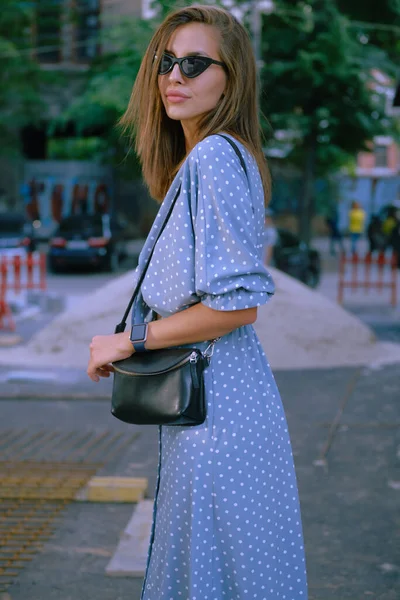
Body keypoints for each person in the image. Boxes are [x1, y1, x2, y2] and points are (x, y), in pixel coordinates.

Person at [87, 6, 308, 599]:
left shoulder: (214, 157)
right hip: (221, 405)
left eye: (193, 63)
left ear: (230, 78)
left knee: (214, 577)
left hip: (220, 414)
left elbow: (237, 305)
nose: (173, 77)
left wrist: (130, 340)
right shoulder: (211, 160)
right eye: (165, 62)